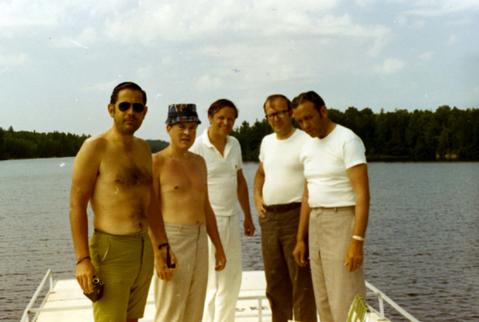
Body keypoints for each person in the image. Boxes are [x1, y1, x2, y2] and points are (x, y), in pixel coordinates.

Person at [69, 81, 172, 322]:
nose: (131, 112)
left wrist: (162, 245)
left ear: (145, 112)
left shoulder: (143, 148)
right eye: (124, 106)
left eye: (137, 108)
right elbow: (76, 205)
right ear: (111, 109)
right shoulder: (95, 147)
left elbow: (152, 202)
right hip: (110, 251)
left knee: (132, 319)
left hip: (143, 248)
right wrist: (83, 260)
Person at [291, 91, 370, 322]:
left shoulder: (348, 140)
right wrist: (300, 238)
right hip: (316, 222)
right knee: (323, 299)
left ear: (323, 111)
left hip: (342, 221)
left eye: (309, 118)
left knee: (345, 297)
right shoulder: (307, 147)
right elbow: (308, 194)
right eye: (300, 121)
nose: (305, 125)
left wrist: (357, 242)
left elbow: (362, 195)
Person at [152, 104, 226, 322]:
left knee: (195, 312)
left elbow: (206, 206)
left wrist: (219, 247)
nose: (187, 133)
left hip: (200, 239)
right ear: (168, 128)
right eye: (181, 127)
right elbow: (151, 211)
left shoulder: (199, 162)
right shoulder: (157, 162)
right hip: (172, 239)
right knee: (170, 312)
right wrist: (159, 253)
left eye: (192, 128)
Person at [190, 99, 256, 322]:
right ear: (210, 117)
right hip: (207, 220)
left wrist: (247, 215)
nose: (226, 122)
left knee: (231, 279)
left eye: (230, 119)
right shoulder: (197, 147)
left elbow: (239, 181)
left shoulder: (234, 144)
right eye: (221, 117)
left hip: (231, 218)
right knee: (210, 280)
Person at [253, 94, 317, 322]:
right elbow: (260, 173)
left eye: (280, 112)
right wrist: (257, 198)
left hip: (296, 216)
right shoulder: (267, 142)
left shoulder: (306, 140)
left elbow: (312, 183)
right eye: (271, 114)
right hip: (269, 219)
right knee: (274, 281)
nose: (276, 118)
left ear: (290, 112)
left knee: (301, 281)